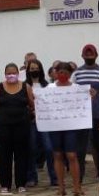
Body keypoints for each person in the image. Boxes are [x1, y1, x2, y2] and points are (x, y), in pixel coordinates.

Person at [72, 45, 99, 194]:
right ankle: (78, 183)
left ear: (96, 55)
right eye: (86, 55)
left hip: (97, 116)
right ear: (82, 56)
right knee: (80, 152)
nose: (89, 57)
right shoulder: (77, 73)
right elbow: (72, 95)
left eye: (92, 55)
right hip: (81, 118)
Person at [0, 63, 33, 194]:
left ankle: (21, 184)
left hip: (22, 126)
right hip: (4, 127)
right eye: (8, 73)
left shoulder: (26, 86)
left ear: (18, 73)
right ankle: (5, 185)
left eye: (13, 72)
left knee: (21, 155)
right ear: (5, 74)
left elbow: (32, 104)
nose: (11, 75)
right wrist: (1, 115)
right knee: (4, 156)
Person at [47, 62, 86, 196]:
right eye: (60, 72)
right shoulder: (50, 88)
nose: (63, 75)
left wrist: (89, 95)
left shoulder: (76, 88)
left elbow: (83, 104)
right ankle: (61, 188)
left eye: (65, 72)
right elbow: (44, 104)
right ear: (55, 73)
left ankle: (77, 187)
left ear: (70, 74)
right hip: (55, 126)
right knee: (57, 155)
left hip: (71, 126)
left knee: (72, 156)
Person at [25, 59, 57, 187]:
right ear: (28, 71)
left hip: (45, 121)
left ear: (41, 69)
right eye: (31, 69)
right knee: (31, 149)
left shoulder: (47, 85)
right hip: (31, 121)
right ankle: (31, 177)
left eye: (36, 68)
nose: (34, 70)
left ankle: (54, 177)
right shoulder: (24, 85)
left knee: (49, 149)